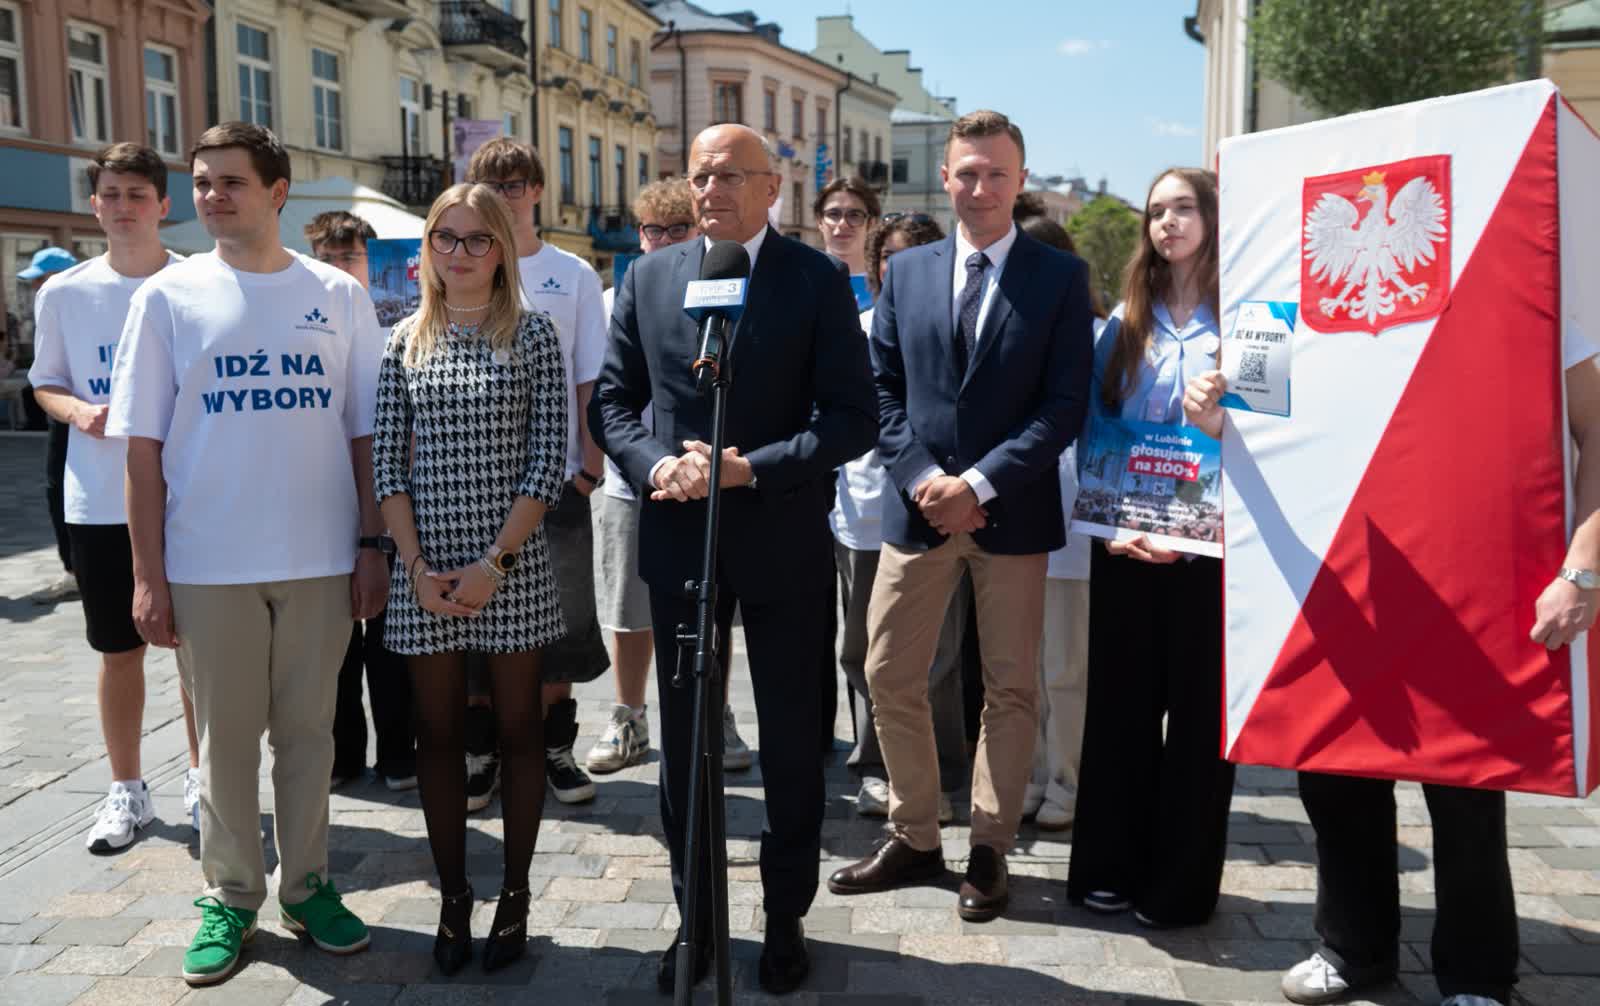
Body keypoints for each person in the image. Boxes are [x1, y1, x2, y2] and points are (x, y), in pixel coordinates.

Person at [591, 123, 877, 995]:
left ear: (771, 188)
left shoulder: (815, 278)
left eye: (728, 175)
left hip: (782, 535)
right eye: (700, 175)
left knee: (790, 742)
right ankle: (698, 921)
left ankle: (785, 915)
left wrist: (754, 467)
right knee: (686, 747)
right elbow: (614, 403)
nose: (710, 190)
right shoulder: (650, 276)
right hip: (682, 532)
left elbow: (852, 417)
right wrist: (656, 466)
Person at [107, 122, 385, 985]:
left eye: (231, 182)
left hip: (318, 557)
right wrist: (148, 575)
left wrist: (372, 544)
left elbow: (366, 435)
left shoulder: (337, 295)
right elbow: (142, 450)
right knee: (223, 744)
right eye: (202, 183)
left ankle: (307, 887)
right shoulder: (168, 298)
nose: (213, 197)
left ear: (277, 192)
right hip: (208, 562)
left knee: (309, 736)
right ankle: (230, 895)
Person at [827, 109, 1094, 923]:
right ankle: (914, 833)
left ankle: (988, 846)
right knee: (888, 673)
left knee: (1009, 687)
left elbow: (1064, 406)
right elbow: (881, 390)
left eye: (996, 174)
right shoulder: (906, 272)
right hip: (918, 514)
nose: (980, 187)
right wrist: (922, 480)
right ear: (944, 178)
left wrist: (978, 485)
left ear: (1020, 180)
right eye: (967, 173)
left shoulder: (1058, 277)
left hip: (1010, 516)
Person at [373, 183, 567, 975]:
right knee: (439, 734)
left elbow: (548, 461)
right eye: (445, 238)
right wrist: (416, 568)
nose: (459, 253)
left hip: (510, 562)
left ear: (501, 250)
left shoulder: (533, 333)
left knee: (520, 730)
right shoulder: (403, 340)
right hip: (425, 569)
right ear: (427, 248)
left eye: (477, 238)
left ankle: (515, 893)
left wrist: (494, 564)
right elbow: (387, 468)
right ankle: (454, 897)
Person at [1064, 167, 1236, 928]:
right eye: (1157, 211)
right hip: (1127, 543)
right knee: (1120, 711)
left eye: (1184, 208)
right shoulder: (1122, 324)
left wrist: (1226, 420)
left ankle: (1181, 887)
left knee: (1201, 722)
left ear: (1214, 218)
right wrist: (1115, 524)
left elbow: (1278, 433)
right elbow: (1095, 432)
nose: (1168, 222)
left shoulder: (1253, 321)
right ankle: (1109, 867)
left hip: (1215, 556)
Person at [27, 143, 202, 852]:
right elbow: (45, 381)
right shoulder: (64, 293)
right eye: (111, 194)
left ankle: (204, 779)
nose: (124, 206)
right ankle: (126, 790)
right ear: (94, 204)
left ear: (163, 205)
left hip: (191, 498)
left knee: (197, 653)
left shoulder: (198, 283)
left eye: (138, 194)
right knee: (118, 649)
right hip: (99, 501)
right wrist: (77, 412)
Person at [465, 138, 609, 807]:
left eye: (517, 183)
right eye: (493, 184)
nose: (506, 195)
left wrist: (589, 466)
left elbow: (590, 376)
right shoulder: (457, 264)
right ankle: (483, 752)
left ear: (538, 191)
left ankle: (556, 749)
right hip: (471, 477)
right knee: (473, 618)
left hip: (554, 476)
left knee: (564, 620)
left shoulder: (570, 274)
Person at [836, 212, 963, 825]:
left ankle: (938, 775)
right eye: (889, 255)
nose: (899, 266)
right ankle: (875, 765)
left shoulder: (954, 323)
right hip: (864, 512)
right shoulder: (857, 328)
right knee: (864, 650)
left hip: (938, 507)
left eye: (914, 253)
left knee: (938, 656)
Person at [304, 210, 418, 792]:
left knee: (393, 636)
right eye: (326, 257)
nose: (337, 267)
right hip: (330, 492)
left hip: (399, 492)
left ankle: (399, 752)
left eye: (348, 257)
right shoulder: (306, 318)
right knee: (338, 638)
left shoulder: (403, 317)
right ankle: (343, 752)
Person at [587, 180, 697, 775]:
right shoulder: (615, 299)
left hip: (701, 475)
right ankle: (628, 716)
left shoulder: (716, 293)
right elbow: (604, 393)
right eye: (653, 230)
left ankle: (713, 716)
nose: (663, 240)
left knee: (707, 607)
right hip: (632, 479)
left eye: (678, 229)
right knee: (629, 609)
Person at [1015, 213, 1097, 831]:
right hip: (1014, 522)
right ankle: (1031, 772)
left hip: (1074, 524)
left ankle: (1066, 778)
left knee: (1065, 666)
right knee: (1020, 667)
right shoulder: (1008, 331)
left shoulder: (1100, 335)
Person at [22, 246, 81, 603]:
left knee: (62, 489)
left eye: (40, 280)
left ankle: (78, 570)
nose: (35, 288)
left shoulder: (78, 304)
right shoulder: (54, 305)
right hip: (62, 411)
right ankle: (73, 569)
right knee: (56, 489)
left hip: (83, 412)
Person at [816, 178, 880, 313]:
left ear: (871, 223)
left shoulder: (887, 286)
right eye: (833, 214)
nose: (843, 224)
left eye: (854, 215)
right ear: (819, 221)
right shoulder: (798, 281)